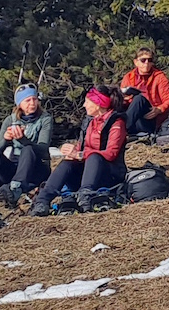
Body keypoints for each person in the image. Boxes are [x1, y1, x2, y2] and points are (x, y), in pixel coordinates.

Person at [32, 87, 129, 215]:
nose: (84, 105)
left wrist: (81, 154)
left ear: (98, 104)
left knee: (94, 157)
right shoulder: (89, 122)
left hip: (109, 175)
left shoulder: (117, 123)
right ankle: (42, 201)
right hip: (87, 175)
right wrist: (72, 151)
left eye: (87, 102)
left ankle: (85, 196)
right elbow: (81, 148)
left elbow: (111, 154)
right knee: (67, 163)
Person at [0, 85, 55, 207]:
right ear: (19, 104)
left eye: (34, 99)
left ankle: (15, 190)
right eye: (27, 100)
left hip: (36, 168)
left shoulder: (45, 119)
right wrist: (6, 138)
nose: (32, 103)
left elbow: (43, 149)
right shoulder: (10, 120)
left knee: (28, 149)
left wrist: (22, 139)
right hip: (14, 168)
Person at [119, 47, 169, 139]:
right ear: (136, 62)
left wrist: (159, 109)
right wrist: (125, 99)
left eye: (149, 60)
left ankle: (120, 131)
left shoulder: (159, 77)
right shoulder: (128, 77)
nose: (146, 63)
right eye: (143, 60)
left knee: (139, 98)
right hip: (133, 119)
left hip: (150, 119)